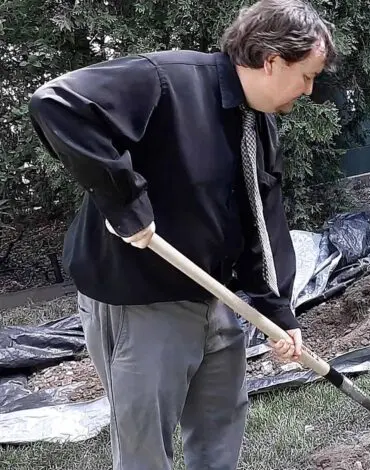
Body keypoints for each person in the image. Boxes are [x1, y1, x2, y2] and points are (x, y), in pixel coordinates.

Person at [27, 1, 337, 468]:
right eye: (307, 76)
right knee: (145, 450)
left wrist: (278, 310)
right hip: (142, 305)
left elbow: (263, 217)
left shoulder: (258, 122)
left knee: (220, 432)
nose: (310, 91)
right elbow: (58, 103)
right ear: (272, 61)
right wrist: (124, 199)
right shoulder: (165, 80)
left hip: (216, 301)